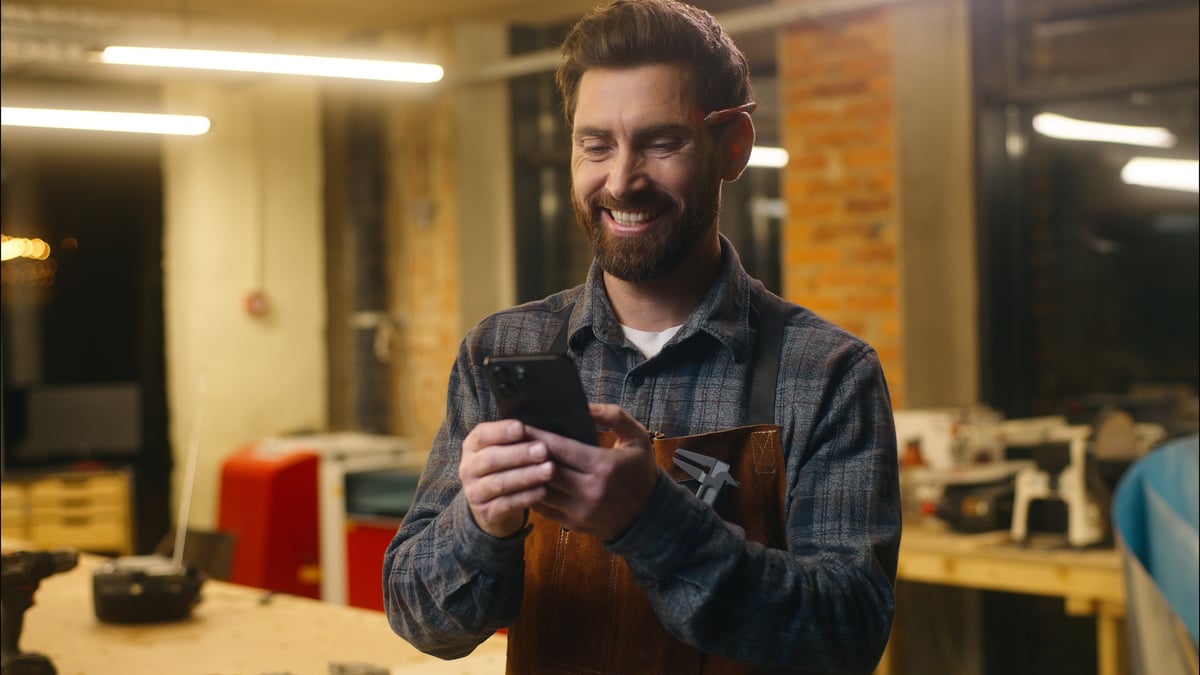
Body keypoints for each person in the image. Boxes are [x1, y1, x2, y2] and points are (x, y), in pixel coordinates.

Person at [383, 1, 901, 673]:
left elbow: (846, 636)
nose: (622, 181)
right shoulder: (499, 351)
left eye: (661, 143)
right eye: (596, 145)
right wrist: (480, 524)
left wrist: (652, 521)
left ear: (733, 147)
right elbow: (419, 619)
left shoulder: (827, 372)